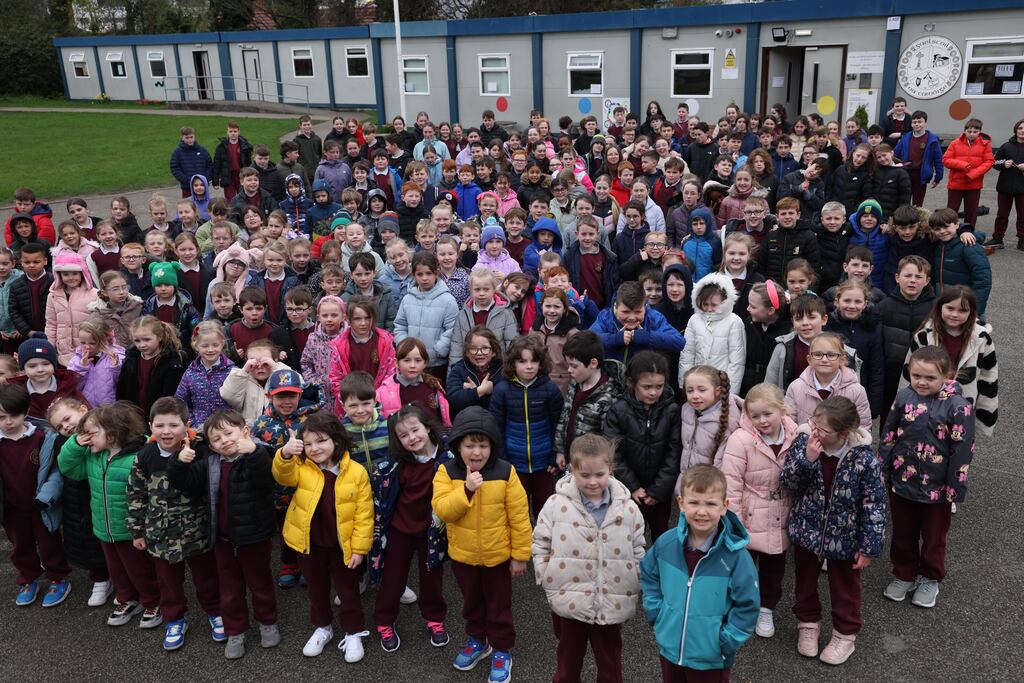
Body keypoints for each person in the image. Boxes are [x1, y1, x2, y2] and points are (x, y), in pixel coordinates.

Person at [532, 433, 645, 683]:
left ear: (610, 470)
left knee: (610, 663)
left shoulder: (627, 508)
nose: (593, 482)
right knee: (568, 663)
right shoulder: (555, 504)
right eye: (585, 475)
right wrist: (545, 574)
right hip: (568, 597)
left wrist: (636, 576)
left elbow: (638, 545)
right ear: (572, 471)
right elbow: (540, 541)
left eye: (599, 474)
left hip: (612, 600)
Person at [781, 396, 885, 665]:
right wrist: (808, 459)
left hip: (845, 537)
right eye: (813, 424)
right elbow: (789, 482)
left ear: (844, 433)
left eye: (823, 430)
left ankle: (845, 635)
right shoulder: (804, 442)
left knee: (845, 587)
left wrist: (869, 546)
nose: (815, 431)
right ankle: (807, 624)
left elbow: (874, 504)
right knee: (804, 581)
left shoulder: (864, 459)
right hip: (808, 528)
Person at [431, 406, 532, 683]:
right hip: (463, 556)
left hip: (498, 556)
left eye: (483, 445)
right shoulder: (446, 470)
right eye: (470, 445)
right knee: (472, 603)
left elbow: (520, 517)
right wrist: (466, 489)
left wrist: (520, 555)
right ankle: (478, 640)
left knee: (499, 605)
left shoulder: (505, 471)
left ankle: (501, 649)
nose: (476, 453)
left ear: (492, 446)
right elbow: (442, 510)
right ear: (457, 445)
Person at [168, 409, 278, 659]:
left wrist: (254, 452)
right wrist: (178, 462)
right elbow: (185, 482)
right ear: (211, 446)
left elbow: (265, 481)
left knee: (260, 584)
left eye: (229, 433)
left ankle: (267, 622)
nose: (224, 441)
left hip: (255, 537)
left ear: (245, 432)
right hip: (222, 540)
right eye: (216, 439)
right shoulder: (210, 463)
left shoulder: (257, 455)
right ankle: (235, 629)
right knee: (229, 590)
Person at [640, 464, 759, 681]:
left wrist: (725, 641)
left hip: (711, 657)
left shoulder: (736, 557)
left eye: (711, 504)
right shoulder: (666, 544)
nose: (702, 511)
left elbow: (748, 604)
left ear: (724, 507)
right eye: (694, 502)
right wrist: (657, 613)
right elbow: (649, 573)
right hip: (670, 649)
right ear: (681, 503)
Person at [273, 412, 372, 662]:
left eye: (321, 441)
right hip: (309, 544)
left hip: (342, 546)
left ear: (336, 441)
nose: (314, 448)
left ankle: (353, 631)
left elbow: (364, 514)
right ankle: (323, 627)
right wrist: (285, 454)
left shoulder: (356, 472)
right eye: (308, 443)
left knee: (347, 592)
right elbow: (281, 476)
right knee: (316, 590)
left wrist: (360, 549)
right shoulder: (301, 466)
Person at [881, 346, 975, 609]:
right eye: (916, 375)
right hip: (902, 481)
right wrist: (883, 469)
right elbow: (889, 434)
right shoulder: (903, 397)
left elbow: (963, 449)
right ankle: (904, 573)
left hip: (938, 488)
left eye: (930, 377)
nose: (921, 382)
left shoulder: (958, 407)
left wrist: (955, 487)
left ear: (946, 375)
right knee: (902, 532)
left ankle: (930, 577)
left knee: (934, 536)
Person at [126, 397, 223, 650]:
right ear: (150, 426)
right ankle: (175, 619)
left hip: (198, 531)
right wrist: (137, 530)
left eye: (173, 425)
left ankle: (216, 612)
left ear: (187, 425)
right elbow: (136, 494)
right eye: (159, 426)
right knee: (168, 583)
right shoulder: (145, 455)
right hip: (160, 535)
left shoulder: (200, 450)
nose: (166, 431)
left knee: (207, 578)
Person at [58, 402, 163, 629]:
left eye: (90, 434)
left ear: (113, 433)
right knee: (117, 570)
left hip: (131, 530)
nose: (86, 438)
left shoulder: (139, 456)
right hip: (104, 528)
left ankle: (153, 601)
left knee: (140, 569)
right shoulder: (92, 457)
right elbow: (66, 467)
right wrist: (75, 444)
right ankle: (127, 598)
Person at [370, 405, 452, 654]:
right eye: (403, 436)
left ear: (427, 427)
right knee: (392, 579)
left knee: (431, 579)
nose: (411, 438)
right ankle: (384, 621)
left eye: (415, 430)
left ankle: (434, 619)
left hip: (431, 531)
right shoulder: (397, 465)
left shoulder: (449, 460)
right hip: (400, 529)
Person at [720, 382, 797, 639]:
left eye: (768, 414)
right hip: (750, 512)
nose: (762, 421)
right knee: (742, 566)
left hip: (781, 512)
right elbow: (731, 483)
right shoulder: (741, 440)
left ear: (782, 410)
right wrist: (734, 522)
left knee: (774, 566)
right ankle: (739, 606)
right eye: (755, 416)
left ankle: (766, 608)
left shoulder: (795, 435)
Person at [0, 384, 71, 608]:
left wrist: (47, 496)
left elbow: (54, 470)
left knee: (50, 542)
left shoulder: (42, 437)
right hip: (11, 507)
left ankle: (58, 578)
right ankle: (28, 579)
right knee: (20, 545)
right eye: (2, 417)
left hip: (40, 504)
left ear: (26, 411)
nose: (8, 422)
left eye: (14, 415)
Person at [603, 351, 681, 540]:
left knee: (662, 536)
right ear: (632, 383)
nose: (653, 392)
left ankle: (661, 569)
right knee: (627, 537)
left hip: (660, 492)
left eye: (659, 386)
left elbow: (675, 451)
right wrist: (632, 487)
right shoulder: (618, 410)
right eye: (647, 387)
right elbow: (613, 452)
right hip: (627, 489)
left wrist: (657, 490)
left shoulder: (672, 410)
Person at [902, 285, 998, 436]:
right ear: (940, 307)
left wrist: (985, 416)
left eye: (962, 310)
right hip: (926, 403)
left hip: (961, 405)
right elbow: (908, 373)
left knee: (957, 447)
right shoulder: (924, 336)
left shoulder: (981, 339)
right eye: (950, 308)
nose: (955, 314)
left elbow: (989, 377)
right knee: (925, 446)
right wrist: (903, 405)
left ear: (971, 312)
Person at [490, 335, 564, 519]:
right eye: (523, 361)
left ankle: (544, 545)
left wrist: (554, 456)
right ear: (513, 363)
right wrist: (503, 459)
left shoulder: (549, 388)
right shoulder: (502, 390)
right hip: (514, 464)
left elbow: (558, 424)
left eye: (534, 361)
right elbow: (496, 427)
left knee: (545, 510)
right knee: (517, 511)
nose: (529, 366)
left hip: (543, 464)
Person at [393, 251, 460, 377]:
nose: (424, 278)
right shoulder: (408, 299)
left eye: (429, 273)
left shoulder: (447, 300)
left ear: (436, 273)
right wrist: (404, 347)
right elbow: (400, 325)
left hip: (436, 365)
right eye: (420, 274)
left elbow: (453, 328)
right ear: (413, 275)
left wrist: (437, 350)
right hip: (411, 363)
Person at [589, 281, 686, 363]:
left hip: (645, 376)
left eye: (638, 312)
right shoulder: (605, 317)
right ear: (616, 307)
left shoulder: (654, 318)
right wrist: (614, 339)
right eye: (625, 312)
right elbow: (588, 340)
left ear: (645, 307)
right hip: (611, 376)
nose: (632, 317)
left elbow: (679, 342)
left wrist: (647, 337)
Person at [679, 273, 745, 391]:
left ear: (725, 301)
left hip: (720, 386)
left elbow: (736, 362)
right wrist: (684, 385)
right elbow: (687, 354)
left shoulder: (734, 322)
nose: (709, 309)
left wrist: (730, 391)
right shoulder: (694, 320)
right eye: (705, 304)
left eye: (714, 305)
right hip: (697, 384)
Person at [926, 209, 992, 317]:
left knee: (971, 333)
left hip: (966, 306)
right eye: (937, 229)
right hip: (946, 305)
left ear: (957, 225)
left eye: (946, 227)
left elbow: (983, 280)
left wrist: (976, 309)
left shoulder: (968, 244)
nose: (942, 231)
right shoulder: (938, 244)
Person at [678, 365, 742, 474]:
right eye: (690, 390)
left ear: (718, 391)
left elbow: (722, 464)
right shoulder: (686, 410)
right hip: (686, 481)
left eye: (702, 390)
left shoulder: (729, 421)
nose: (695, 396)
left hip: (709, 485)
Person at [449, 268, 518, 366]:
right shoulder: (463, 315)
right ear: (470, 290)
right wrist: (454, 376)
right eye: (477, 289)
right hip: (470, 370)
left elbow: (512, 345)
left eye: (486, 289)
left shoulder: (506, 314)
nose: (481, 293)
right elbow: (456, 348)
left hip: (498, 370)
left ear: (494, 289)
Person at [175, 320, 234, 430]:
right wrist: (192, 422)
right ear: (196, 345)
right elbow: (180, 402)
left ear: (222, 343)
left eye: (215, 345)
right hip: (199, 429)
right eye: (205, 346)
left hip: (228, 428)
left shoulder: (232, 371)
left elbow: (241, 402)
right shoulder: (190, 373)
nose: (210, 349)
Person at [942, 118, 994, 229]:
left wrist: (974, 173)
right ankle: (949, 232)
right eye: (969, 131)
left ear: (980, 132)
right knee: (951, 211)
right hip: (956, 184)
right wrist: (961, 165)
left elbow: (989, 162)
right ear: (964, 130)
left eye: (975, 132)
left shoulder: (985, 145)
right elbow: (946, 160)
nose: (971, 134)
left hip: (974, 184)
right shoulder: (955, 143)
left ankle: (968, 232)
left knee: (971, 211)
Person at [66, 318, 124, 408]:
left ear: (103, 340)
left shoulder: (115, 356)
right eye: (82, 342)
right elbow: (71, 385)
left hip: (109, 408)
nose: (87, 347)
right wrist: (81, 366)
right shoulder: (76, 360)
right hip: (86, 408)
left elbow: (121, 384)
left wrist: (115, 367)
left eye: (92, 343)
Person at [892, 111, 944, 207]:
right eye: (914, 122)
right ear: (911, 124)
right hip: (906, 173)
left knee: (918, 203)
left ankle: (916, 221)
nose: (917, 124)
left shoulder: (932, 140)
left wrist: (938, 177)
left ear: (925, 123)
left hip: (921, 174)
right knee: (904, 201)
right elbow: (895, 154)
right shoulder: (905, 138)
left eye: (920, 122)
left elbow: (938, 160)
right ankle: (904, 220)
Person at [988, 117, 1024, 250]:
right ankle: (998, 238)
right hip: (1005, 187)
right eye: (1020, 128)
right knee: (1002, 215)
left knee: (1023, 215)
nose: (1022, 131)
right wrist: (1004, 164)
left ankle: (1022, 240)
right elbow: (994, 162)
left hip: (1022, 189)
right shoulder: (1006, 146)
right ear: (1015, 130)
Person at [170, 126, 214, 198]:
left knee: (204, 205)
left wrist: (205, 178)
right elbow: (174, 168)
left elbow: (209, 165)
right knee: (188, 206)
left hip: (202, 186)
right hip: (187, 186)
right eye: (187, 138)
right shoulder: (177, 152)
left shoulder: (202, 150)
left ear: (194, 137)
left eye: (191, 137)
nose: (190, 140)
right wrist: (185, 179)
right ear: (182, 138)